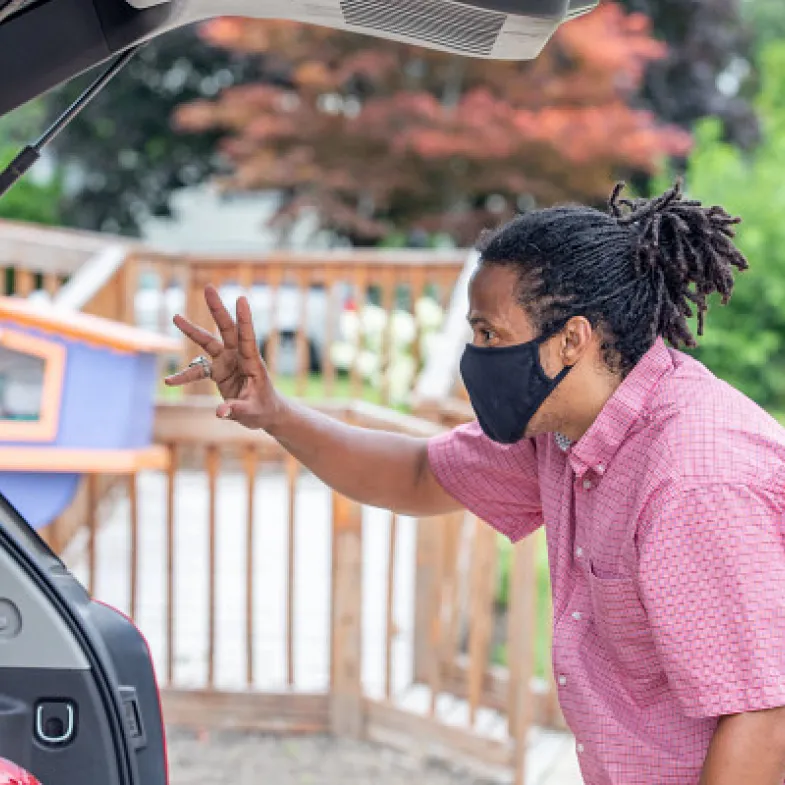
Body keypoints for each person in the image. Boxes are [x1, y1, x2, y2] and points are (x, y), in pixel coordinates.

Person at [166, 181, 785, 785]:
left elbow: (764, 720)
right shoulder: (564, 426)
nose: (474, 356)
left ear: (571, 339)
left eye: (490, 334)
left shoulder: (696, 478)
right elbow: (415, 476)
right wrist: (274, 411)